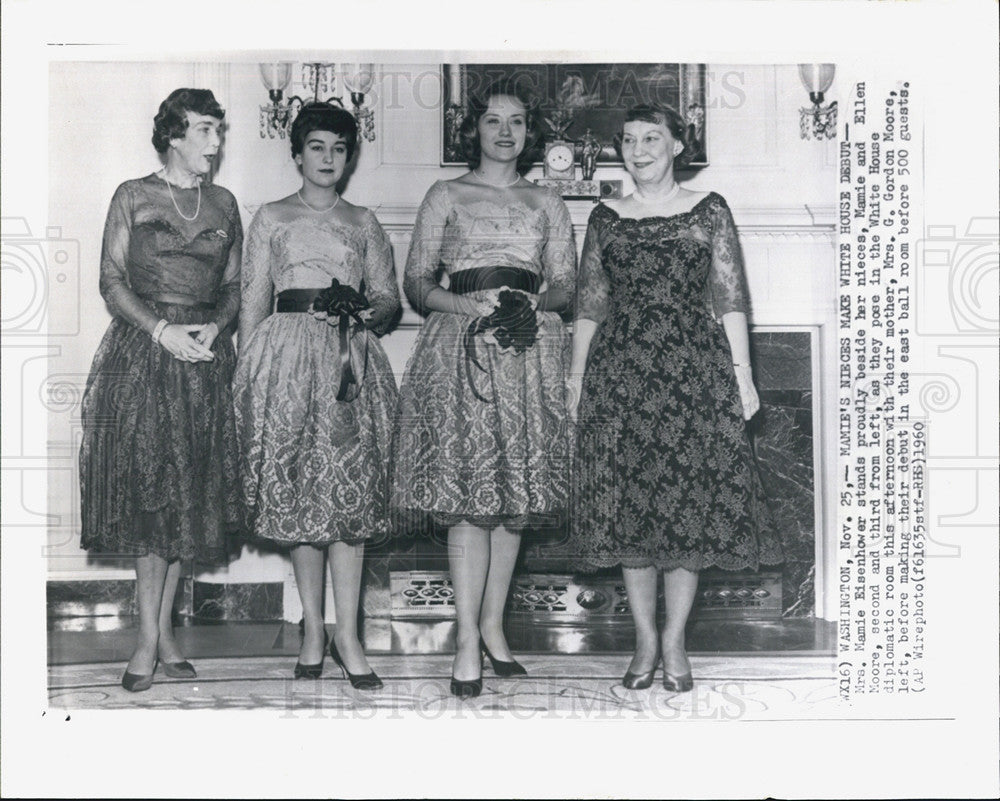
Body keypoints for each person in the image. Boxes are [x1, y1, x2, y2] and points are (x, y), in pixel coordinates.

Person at [568, 103, 782, 693]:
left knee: (686, 512)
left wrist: (742, 373)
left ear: (676, 146)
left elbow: (730, 296)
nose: (639, 151)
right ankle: (642, 642)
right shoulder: (606, 217)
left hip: (695, 375)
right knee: (633, 513)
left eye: (652, 139)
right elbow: (590, 304)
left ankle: (675, 642)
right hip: (622, 376)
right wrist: (575, 380)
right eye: (629, 140)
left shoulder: (708, 209)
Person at [392, 82, 576, 698]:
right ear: (476, 129)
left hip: (528, 352)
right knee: (469, 496)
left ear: (530, 131)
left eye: (517, 122)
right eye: (494, 121)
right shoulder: (446, 194)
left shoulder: (546, 199)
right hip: (461, 348)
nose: (505, 132)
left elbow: (566, 287)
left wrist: (529, 302)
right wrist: (464, 304)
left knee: (513, 497)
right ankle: (466, 638)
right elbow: (416, 283)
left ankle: (494, 628)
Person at [79, 88, 242, 692]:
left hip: (204, 358)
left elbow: (233, 286)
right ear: (173, 134)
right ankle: (147, 640)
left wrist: (216, 326)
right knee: (153, 495)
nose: (215, 144)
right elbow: (110, 281)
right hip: (145, 355)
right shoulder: (133, 195)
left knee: (186, 499)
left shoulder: (224, 204)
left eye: (218, 132)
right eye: (204, 131)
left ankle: (164, 631)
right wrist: (162, 329)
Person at [233, 103, 399, 689]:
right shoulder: (271, 218)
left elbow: (390, 300)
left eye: (338, 148)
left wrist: (358, 310)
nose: (328, 159)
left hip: (349, 362)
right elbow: (254, 302)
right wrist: (249, 378)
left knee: (348, 502)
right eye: (317, 148)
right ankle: (312, 629)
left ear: (349, 157)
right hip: (285, 366)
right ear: (298, 154)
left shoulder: (364, 222)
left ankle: (348, 634)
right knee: (305, 495)